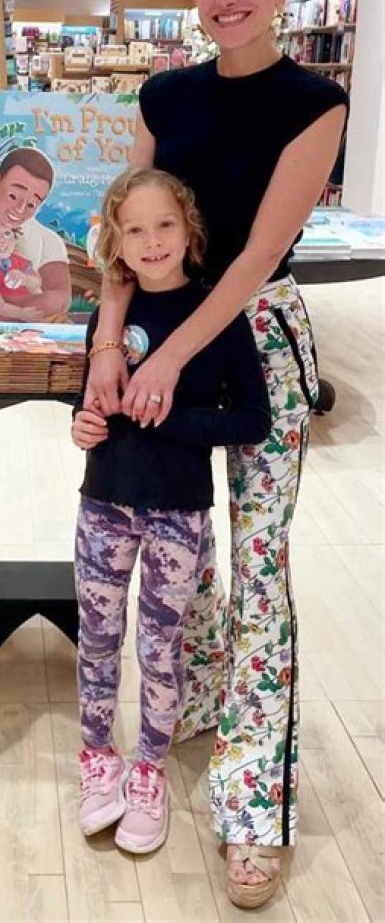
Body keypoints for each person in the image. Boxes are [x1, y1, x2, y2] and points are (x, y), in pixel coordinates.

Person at [85, 0, 348, 906]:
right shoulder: (165, 94)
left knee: (261, 562)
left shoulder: (314, 102)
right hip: (161, 340)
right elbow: (126, 225)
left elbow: (254, 258)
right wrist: (109, 343)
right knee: (176, 538)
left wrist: (167, 356)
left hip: (254, 341)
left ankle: (253, 806)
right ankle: (196, 704)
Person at [73, 166, 271, 856]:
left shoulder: (219, 316)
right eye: (135, 229)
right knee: (97, 639)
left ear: (190, 229)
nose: (152, 241)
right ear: (115, 242)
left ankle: (149, 769)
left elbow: (253, 418)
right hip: (102, 505)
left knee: (161, 648)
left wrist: (175, 420)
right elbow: (88, 402)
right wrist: (84, 425)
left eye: (164, 225)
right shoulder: (109, 319)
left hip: (178, 515)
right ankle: (97, 757)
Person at [0, 147, 71, 324]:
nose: (19, 210)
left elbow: (59, 299)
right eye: (13, 196)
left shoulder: (48, 241)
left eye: (31, 205)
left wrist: (24, 282)